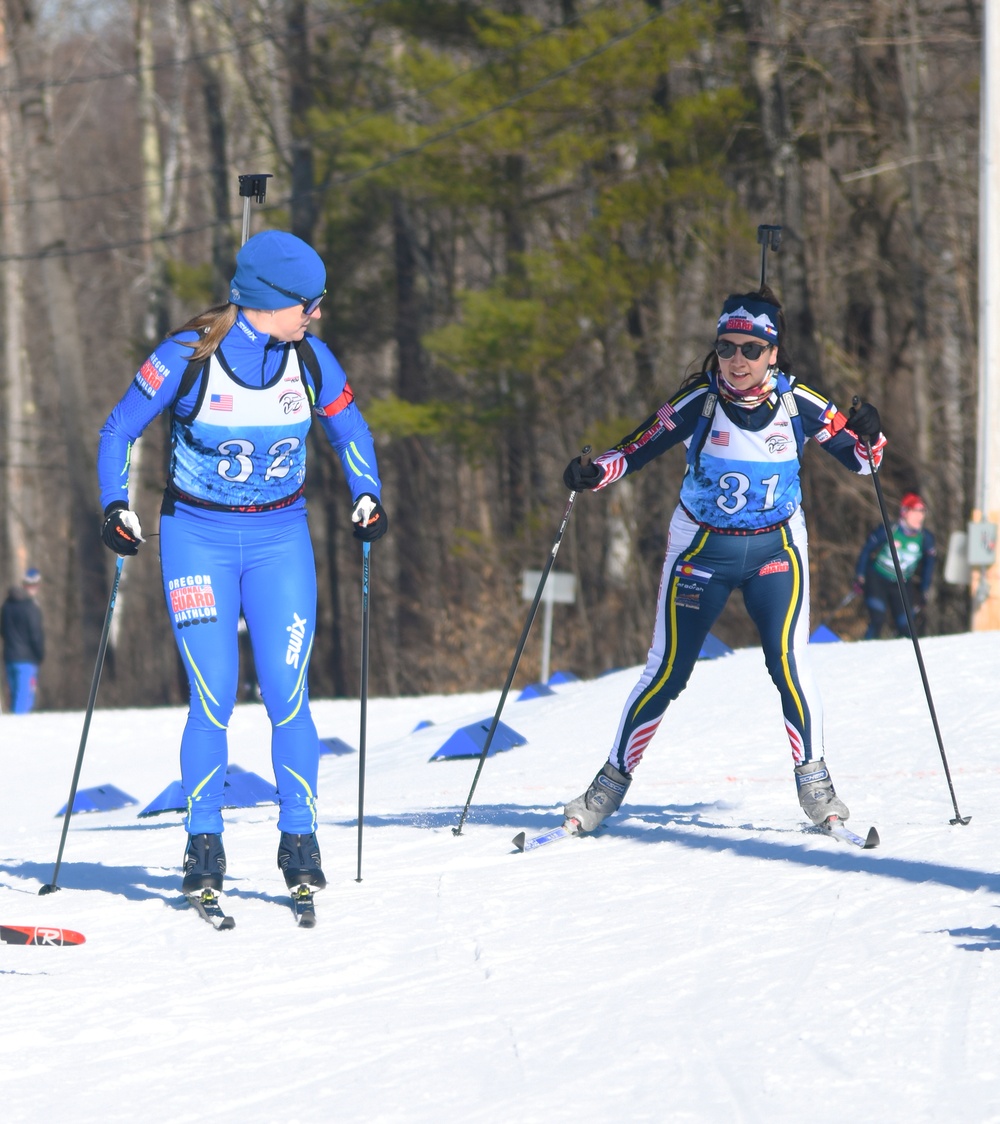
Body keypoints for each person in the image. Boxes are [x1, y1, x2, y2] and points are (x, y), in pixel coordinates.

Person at [97, 230, 387, 899]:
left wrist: (367, 493)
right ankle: (203, 840)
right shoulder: (188, 356)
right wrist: (115, 506)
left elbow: (351, 429)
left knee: (289, 695)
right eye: (308, 304)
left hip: (280, 542)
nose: (315, 315)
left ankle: (300, 836)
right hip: (197, 539)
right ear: (269, 300)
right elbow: (119, 428)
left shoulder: (310, 361)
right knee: (215, 693)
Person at [561, 285, 886, 835]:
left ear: (773, 353)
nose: (737, 360)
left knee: (789, 664)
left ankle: (816, 787)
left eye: (750, 349)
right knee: (666, 671)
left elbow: (862, 462)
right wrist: (593, 474)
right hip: (700, 549)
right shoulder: (700, 400)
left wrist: (873, 434)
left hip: (775, 548)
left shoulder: (799, 402)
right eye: (727, 347)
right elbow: (634, 449)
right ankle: (606, 788)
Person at [854, 493, 936, 639]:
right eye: (915, 511)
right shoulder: (891, 530)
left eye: (922, 512)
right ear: (904, 512)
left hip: (902, 583)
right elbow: (867, 550)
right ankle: (864, 652)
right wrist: (860, 576)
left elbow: (929, 565)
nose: (920, 517)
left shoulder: (925, 538)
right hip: (878, 578)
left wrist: (924, 590)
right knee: (878, 618)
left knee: (907, 626)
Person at [1, 568, 45, 713]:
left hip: (9, 657)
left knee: (14, 698)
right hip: (27, 660)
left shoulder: (6, 605)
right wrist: (40, 654)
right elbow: (35, 635)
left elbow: (3, 631)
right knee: (24, 700)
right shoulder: (31, 607)